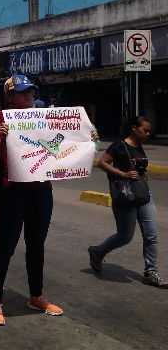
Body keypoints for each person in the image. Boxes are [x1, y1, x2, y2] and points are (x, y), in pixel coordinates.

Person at [0, 75, 63, 326]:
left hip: (41, 189)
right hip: (11, 190)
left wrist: (86, 134)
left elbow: (60, 143)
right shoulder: (1, 118)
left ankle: (36, 295)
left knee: (36, 245)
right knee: (6, 245)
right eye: (22, 92)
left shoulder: (43, 116)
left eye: (31, 91)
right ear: (9, 96)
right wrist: (4, 138)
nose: (28, 95)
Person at [88, 116, 167, 289]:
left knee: (151, 235)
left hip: (143, 194)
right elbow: (102, 162)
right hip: (126, 197)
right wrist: (123, 174)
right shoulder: (119, 145)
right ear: (133, 128)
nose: (147, 133)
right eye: (144, 130)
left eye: (149, 131)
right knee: (125, 236)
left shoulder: (139, 145)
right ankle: (97, 251)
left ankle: (151, 272)